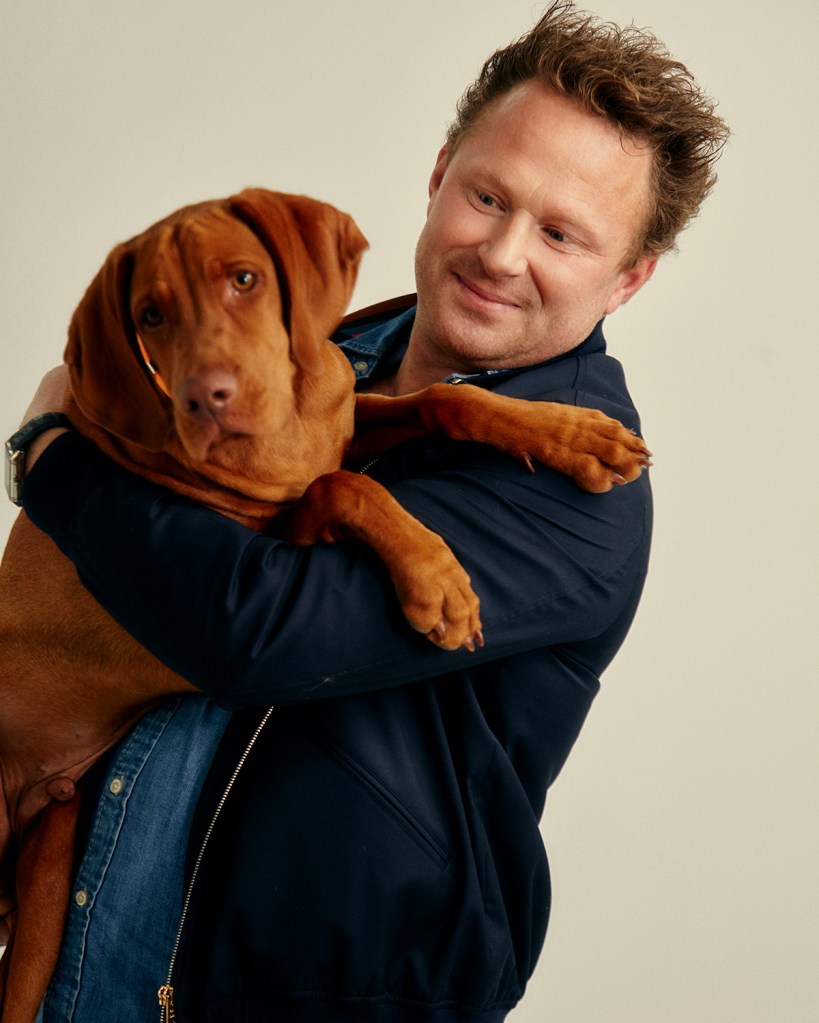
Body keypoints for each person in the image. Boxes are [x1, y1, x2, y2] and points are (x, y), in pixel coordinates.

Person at [11, 3, 727, 1021]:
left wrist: (49, 457)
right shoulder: (327, 352)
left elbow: (257, 628)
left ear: (629, 278)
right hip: (88, 943)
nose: (503, 253)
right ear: (440, 178)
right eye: (489, 196)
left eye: (562, 234)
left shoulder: (578, 487)